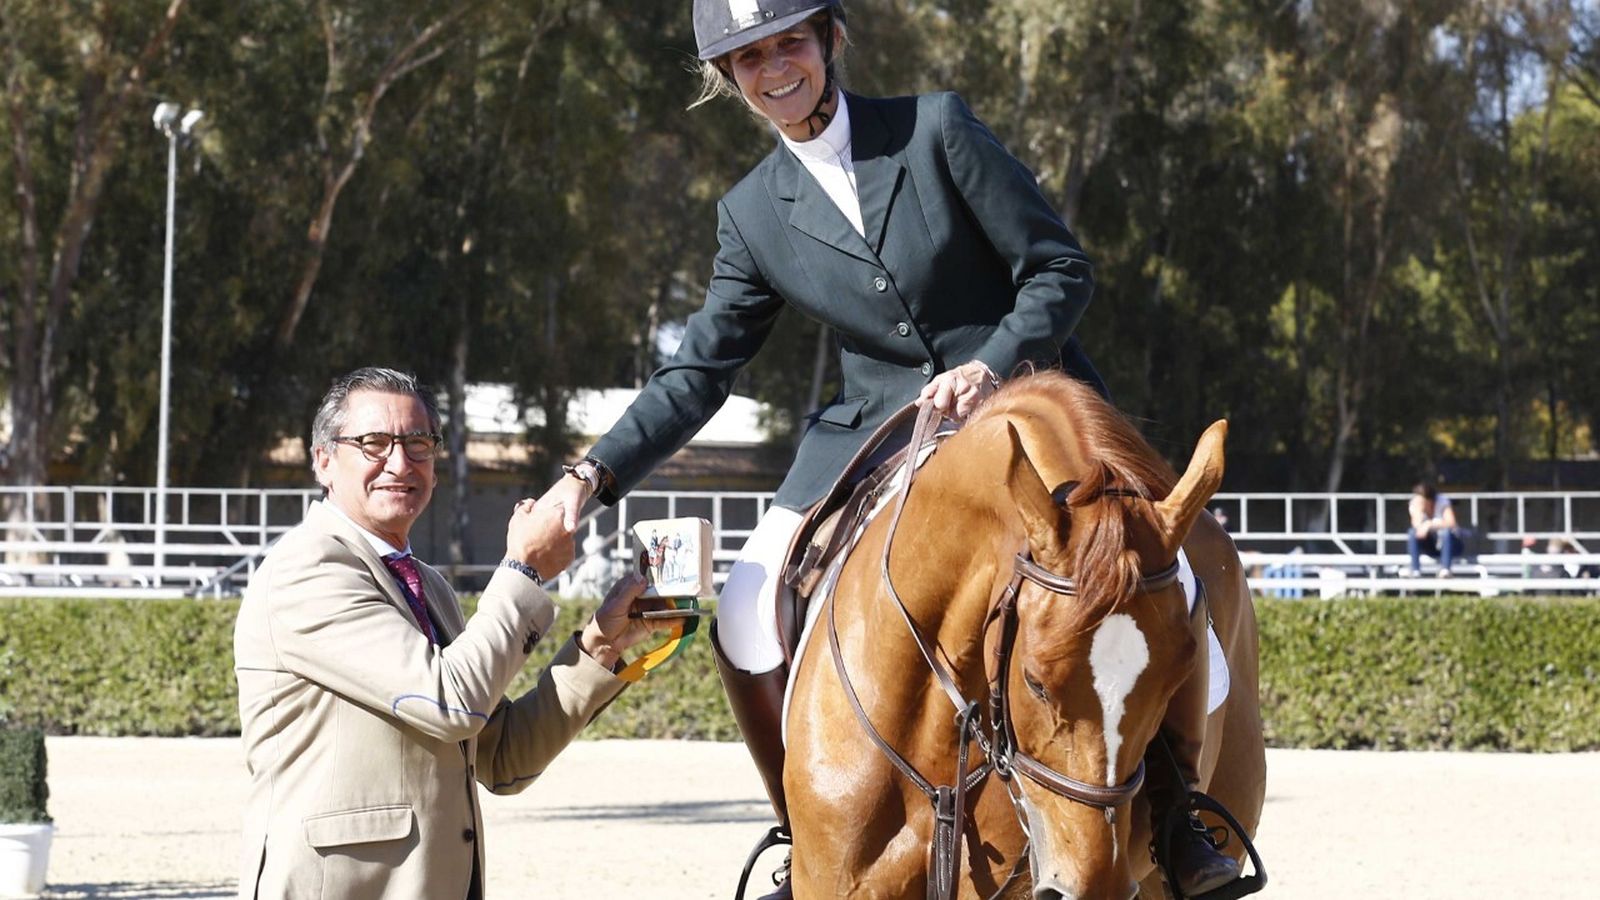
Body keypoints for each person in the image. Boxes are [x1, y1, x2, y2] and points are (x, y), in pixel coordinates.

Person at [539, 2, 1234, 895]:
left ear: (829, 38)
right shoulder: (752, 214)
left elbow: (1060, 267)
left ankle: (1177, 819)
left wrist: (989, 365)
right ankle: (805, 834)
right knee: (749, 608)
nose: (774, 68)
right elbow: (699, 370)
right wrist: (589, 477)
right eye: (748, 57)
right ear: (728, 78)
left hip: (1029, 417)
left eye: (789, 41)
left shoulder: (935, 129)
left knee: (1166, 592)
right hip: (875, 432)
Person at [235, 367, 667, 899]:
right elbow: (449, 703)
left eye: (418, 443)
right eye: (373, 443)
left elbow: (503, 755)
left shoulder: (428, 587)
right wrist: (523, 569)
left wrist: (601, 644)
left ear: (436, 467)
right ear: (324, 460)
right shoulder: (307, 569)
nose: (399, 462)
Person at [1406, 481, 1464, 577]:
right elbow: (1417, 528)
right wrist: (1419, 512)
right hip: (1431, 545)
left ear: (1429, 500)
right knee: (1412, 532)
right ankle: (1415, 570)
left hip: (1451, 544)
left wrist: (1429, 524)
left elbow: (1451, 523)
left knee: (1446, 532)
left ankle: (1445, 570)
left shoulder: (1442, 501)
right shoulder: (1415, 505)